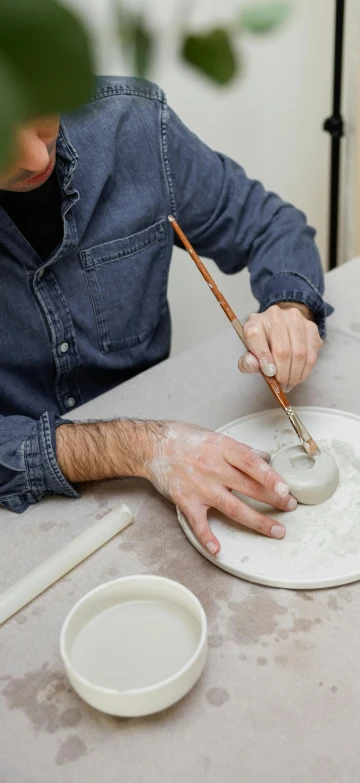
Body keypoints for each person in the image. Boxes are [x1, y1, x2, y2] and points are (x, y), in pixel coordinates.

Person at [0, 76, 332, 553]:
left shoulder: (130, 127)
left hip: (171, 474)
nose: (36, 157)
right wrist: (140, 447)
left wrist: (290, 308)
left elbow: (269, 225)